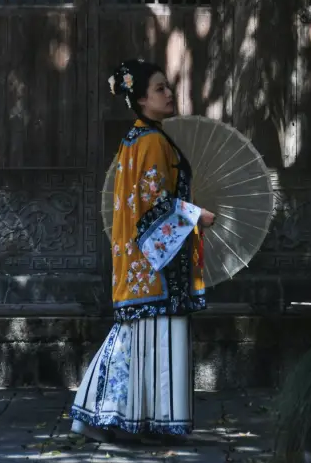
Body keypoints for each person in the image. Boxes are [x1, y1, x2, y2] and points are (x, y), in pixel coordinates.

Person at [70, 58, 216, 442]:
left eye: (168, 87)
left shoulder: (137, 138)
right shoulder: (151, 142)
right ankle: (131, 418)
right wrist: (196, 214)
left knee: (134, 338)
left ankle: (106, 414)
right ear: (140, 100)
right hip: (157, 266)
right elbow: (155, 207)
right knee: (151, 338)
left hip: (142, 264)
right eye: (159, 89)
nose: (169, 94)